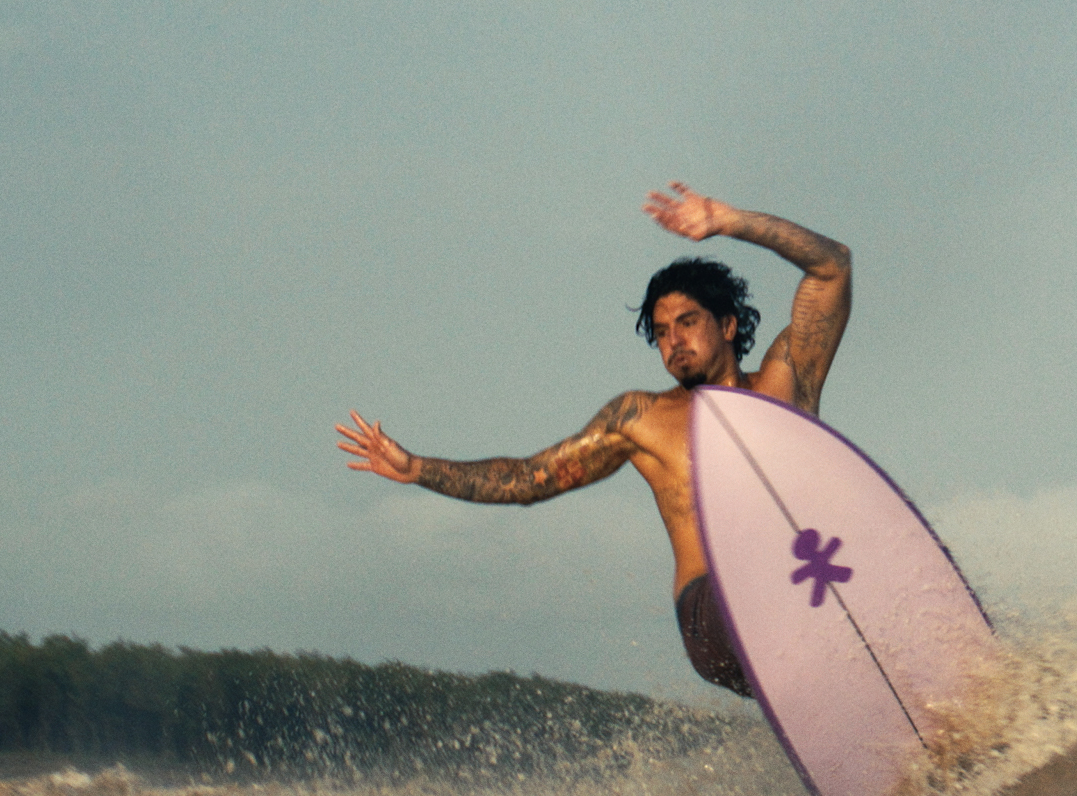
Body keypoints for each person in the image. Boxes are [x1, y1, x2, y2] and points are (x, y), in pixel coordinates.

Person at [335, 182, 852, 697]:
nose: (674, 340)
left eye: (688, 322)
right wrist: (417, 469)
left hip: (803, 586)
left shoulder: (785, 381)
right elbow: (525, 480)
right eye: (662, 330)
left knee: (826, 591)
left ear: (729, 324)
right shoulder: (640, 419)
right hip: (712, 616)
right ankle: (818, 651)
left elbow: (833, 266)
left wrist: (730, 221)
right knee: (784, 588)